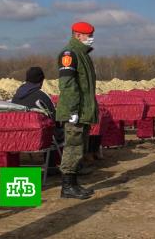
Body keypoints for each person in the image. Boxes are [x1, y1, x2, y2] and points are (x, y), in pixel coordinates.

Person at [56, 22, 98, 200]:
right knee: (73, 147)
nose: (90, 38)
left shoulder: (82, 54)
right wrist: (73, 109)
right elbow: (68, 85)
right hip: (76, 110)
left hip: (83, 110)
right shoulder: (70, 54)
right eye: (88, 35)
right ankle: (67, 186)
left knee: (79, 146)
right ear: (78, 35)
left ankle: (73, 184)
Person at [12, 67, 62, 170]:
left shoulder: (16, 96)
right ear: (41, 81)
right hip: (39, 138)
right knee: (57, 131)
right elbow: (53, 118)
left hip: (18, 136)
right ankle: (52, 166)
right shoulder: (42, 96)